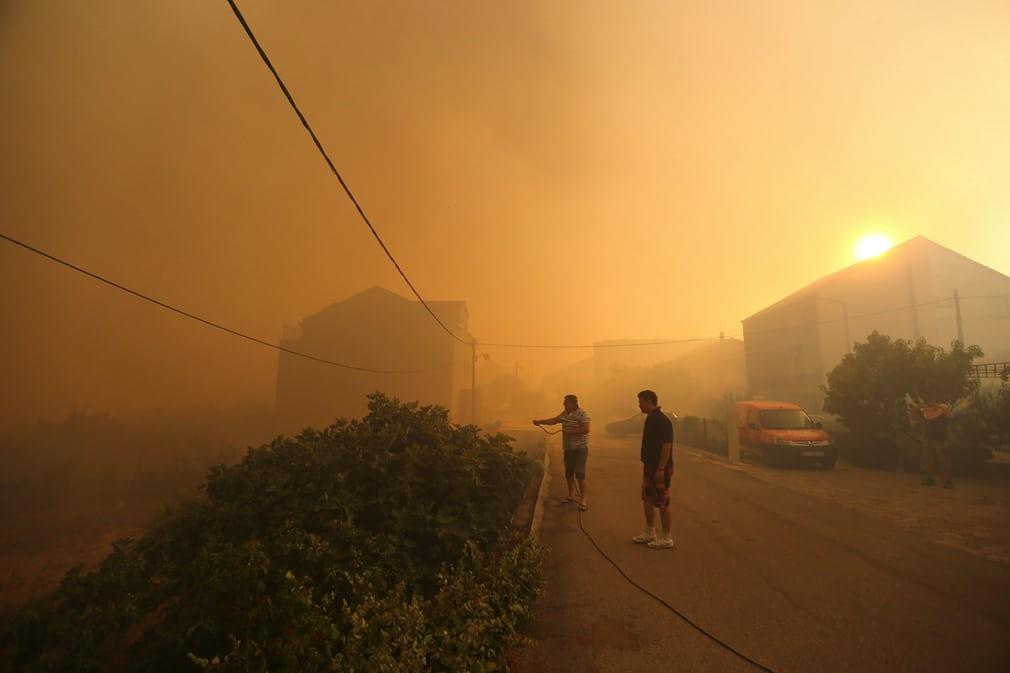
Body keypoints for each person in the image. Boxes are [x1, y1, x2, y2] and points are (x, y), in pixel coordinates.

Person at [632, 389, 675, 549]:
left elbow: (666, 446)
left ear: (649, 401)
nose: (639, 405)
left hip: (660, 468)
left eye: (641, 402)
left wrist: (661, 468)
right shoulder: (651, 419)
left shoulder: (662, 420)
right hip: (650, 466)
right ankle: (650, 531)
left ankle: (667, 537)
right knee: (647, 497)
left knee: (662, 500)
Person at [534, 394, 591, 511]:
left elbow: (586, 429)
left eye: (565, 403)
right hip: (568, 449)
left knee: (580, 473)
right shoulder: (565, 414)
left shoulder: (582, 414)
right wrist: (540, 422)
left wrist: (571, 431)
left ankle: (583, 499)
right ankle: (570, 495)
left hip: (580, 449)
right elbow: (554, 420)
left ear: (573, 404)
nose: (564, 404)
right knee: (569, 473)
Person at [916, 400, 954, 488]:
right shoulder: (928, 413)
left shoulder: (942, 414)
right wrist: (925, 405)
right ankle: (931, 479)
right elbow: (914, 413)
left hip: (939, 439)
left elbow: (951, 415)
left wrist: (938, 406)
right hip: (930, 439)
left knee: (943, 461)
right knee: (930, 460)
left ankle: (947, 481)